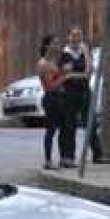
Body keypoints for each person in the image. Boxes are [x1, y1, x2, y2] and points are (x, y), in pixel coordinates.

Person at [58, 25, 99, 167]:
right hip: (69, 93)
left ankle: (97, 154)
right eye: (74, 35)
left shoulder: (85, 51)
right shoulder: (64, 54)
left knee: (90, 122)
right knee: (69, 125)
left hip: (84, 91)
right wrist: (73, 74)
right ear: (68, 37)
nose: (77, 38)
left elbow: (88, 73)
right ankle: (68, 157)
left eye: (79, 35)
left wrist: (74, 73)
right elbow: (64, 75)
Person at [37, 34, 67, 170]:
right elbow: (50, 85)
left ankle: (64, 158)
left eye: (58, 44)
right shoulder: (43, 64)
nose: (57, 46)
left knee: (64, 129)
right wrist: (65, 76)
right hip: (51, 97)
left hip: (60, 97)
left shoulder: (55, 62)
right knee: (51, 129)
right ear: (47, 46)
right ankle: (48, 160)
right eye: (54, 43)